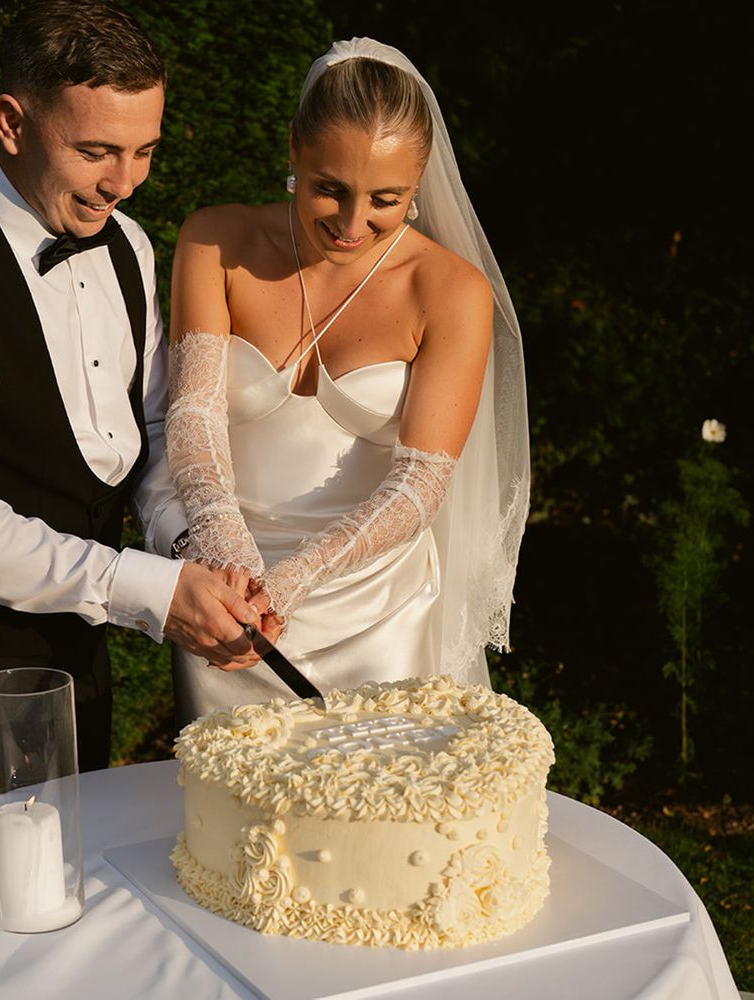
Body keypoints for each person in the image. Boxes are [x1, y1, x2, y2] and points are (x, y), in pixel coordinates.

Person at [0, 0, 262, 772]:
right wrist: (149, 590)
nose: (123, 184)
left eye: (144, 151)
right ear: (11, 122)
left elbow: (154, 430)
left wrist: (191, 555)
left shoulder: (127, 244)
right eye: (96, 150)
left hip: (78, 663)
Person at [166, 38, 530, 723]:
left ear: (419, 185)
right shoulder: (214, 242)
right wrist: (229, 555)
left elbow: (421, 481)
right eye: (329, 188)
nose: (352, 222)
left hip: (377, 612)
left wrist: (295, 579)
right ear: (294, 149)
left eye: (385, 199)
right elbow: (190, 418)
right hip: (227, 601)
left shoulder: (450, 290)